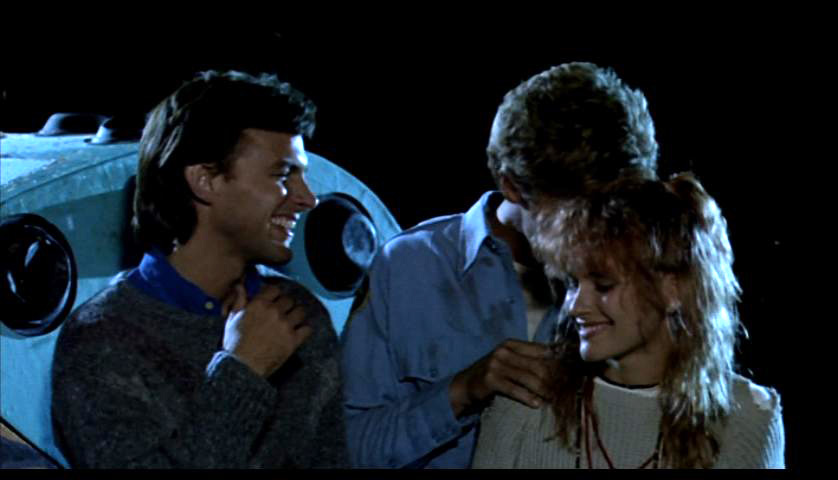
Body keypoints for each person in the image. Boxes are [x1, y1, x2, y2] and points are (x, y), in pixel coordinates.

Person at [340, 62, 659, 468]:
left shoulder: (642, 280)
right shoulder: (408, 267)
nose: (597, 231)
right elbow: (347, 448)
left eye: (612, 209)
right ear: (512, 186)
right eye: (575, 212)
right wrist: (463, 391)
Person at [51, 71, 348, 468]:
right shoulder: (101, 340)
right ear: (205, 181)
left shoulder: (296, 313)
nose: (308, 199)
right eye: (282, 175)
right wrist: (243, 370)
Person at [472, 173, 785, 469]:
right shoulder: (527, 395)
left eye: (603, 285)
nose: (575, 307)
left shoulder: (749, 419)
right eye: (572, 283)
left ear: (672, 289)